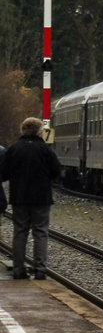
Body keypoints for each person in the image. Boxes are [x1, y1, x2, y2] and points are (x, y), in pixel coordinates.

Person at [2, 118, 61, 280]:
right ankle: (40, 269)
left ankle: (18, 269)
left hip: (19, 197)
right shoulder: (45, 149)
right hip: (42, 198)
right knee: (40, 232)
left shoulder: (14, 149)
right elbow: (56, 170)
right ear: (38, 131)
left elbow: (4, 173)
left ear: (23, 130)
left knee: (20, 232)